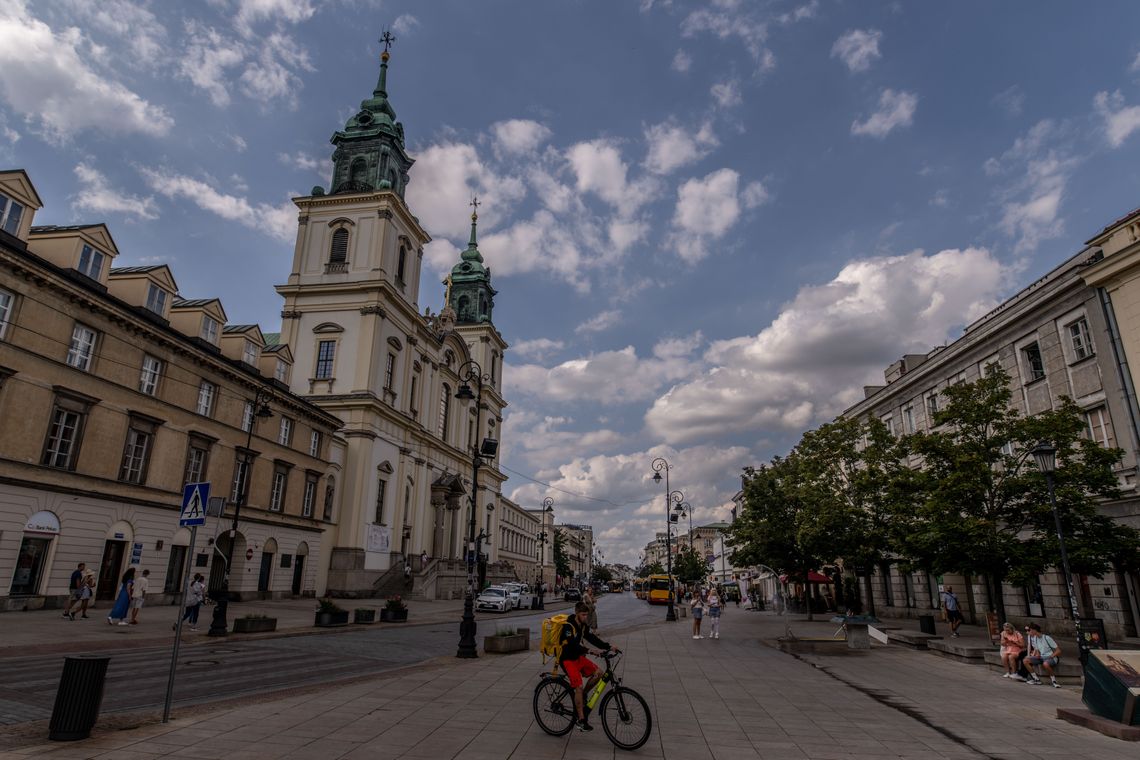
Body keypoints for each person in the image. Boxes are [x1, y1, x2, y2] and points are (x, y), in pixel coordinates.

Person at [558, 600, 620, 732]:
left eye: (587, 614)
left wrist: (609, 646)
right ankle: (581, 720)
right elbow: (572, 645)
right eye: (583, 615)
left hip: (578, 658)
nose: (586, 617)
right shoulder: (568, 626)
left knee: (599, 673)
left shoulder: (583, 626)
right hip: (567, 659)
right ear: (577, 613)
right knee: (578, 686)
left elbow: (592, 639)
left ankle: (584, 695)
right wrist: (589, 651)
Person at [1024, 622, 1062, 688]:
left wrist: (1050, 656)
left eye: (1030, 630)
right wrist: (1037, 654)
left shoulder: (1047, 638)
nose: (1029, 632)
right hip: (1042, 657)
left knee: (1045, 664)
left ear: (1034, 630)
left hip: (1052, 657)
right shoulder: (1035, 638)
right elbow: (1038, 649)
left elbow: (1058, 651)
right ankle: (1036, 679)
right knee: (1026, 660)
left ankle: (1054, 681)